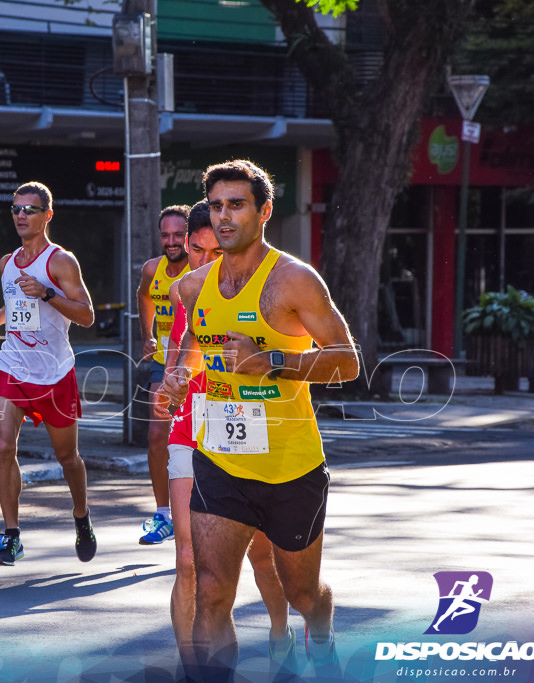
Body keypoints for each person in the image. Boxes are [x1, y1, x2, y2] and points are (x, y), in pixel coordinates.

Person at [162, 160, 359, 679]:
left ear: (265, 211)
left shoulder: (294, 281)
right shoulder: (193, 287)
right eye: (218, 206)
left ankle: (321, 631)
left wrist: (273, 360)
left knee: (301, 593)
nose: (225, 217)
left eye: (238, 204)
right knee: (212, 591)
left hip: (290, 467)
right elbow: (193, 350)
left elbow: (347, 360)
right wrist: (176, 380)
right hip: (220, 461)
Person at [157, 200, 294, 673]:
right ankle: (192, 668)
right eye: (196, 251)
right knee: (188, 560)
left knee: (260, 557)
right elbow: (176, 369)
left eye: (214, 252)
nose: (204, 262)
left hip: (243, 429)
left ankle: (280, 628)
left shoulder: (251, 293)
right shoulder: (186, 295)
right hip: (191, 429)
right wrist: (170, 388)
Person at [0, 181, 97, 566]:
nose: (20, 215)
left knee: (68, 458)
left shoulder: (61, 261)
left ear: (47, 215)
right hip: (12, 365)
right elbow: (15, 305)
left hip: (54, 373)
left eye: (29, 210)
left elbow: (86, 315)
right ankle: (12, 535)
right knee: (2, 447)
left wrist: (47, 293)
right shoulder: (6, 263)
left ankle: (81, 517)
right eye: (16, 209)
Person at [135, 204, 190, 545]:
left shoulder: (202, 270)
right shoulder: (152, 269)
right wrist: (147, 334)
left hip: (198, 356)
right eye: (165, 235)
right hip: (163, 359)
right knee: (157, 434)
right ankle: (163, 515)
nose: (171, 242)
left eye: (178, 235)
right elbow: (144, 296)